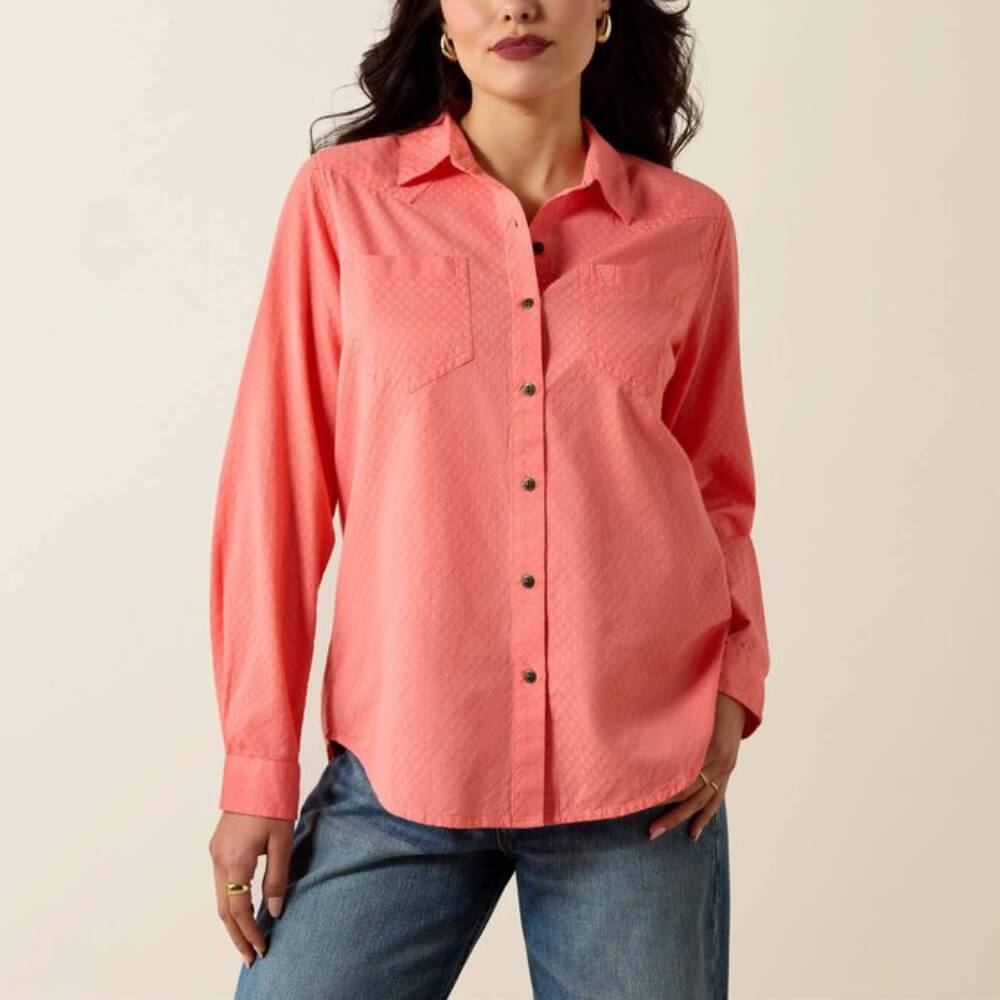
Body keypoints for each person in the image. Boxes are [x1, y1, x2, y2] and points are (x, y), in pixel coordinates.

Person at [207, 1, 770, 996]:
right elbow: (275, 489)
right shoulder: (342, 204)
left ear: (603, 15)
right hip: (402, 763)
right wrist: (258, 766)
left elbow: (715, 484)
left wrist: (734, 680)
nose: (516, 5)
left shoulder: (689, 227)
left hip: (638, 774)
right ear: (441, 23)